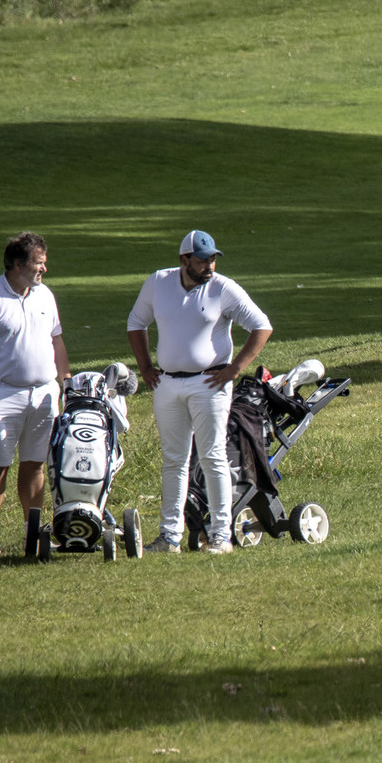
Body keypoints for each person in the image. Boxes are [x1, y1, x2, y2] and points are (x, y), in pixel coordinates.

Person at [127, 230, 272, 555]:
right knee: (174, 461)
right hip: (167, 384)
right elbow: (136, 322)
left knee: (212, 456)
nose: (210, 265)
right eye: (203, 259)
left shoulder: (222, 287)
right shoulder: (158, 283)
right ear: (184, 260)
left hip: (210, 383)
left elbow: (262, 325)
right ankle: (169, 538)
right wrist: (146, 368)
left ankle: (221, 536)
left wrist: (234, 368)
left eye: (213, 259)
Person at [0, 232, 69, 555]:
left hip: (44, 393)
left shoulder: (44, 295)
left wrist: (65, 382)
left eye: (44, 263)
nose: (43, 270)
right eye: (38, 263)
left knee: (35, 464)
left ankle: (31, 531)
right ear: (17, 263)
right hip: (3, 394)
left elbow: (57, 341)